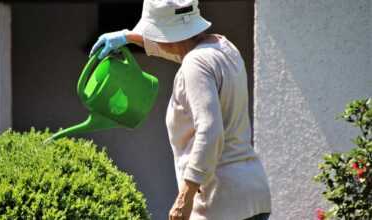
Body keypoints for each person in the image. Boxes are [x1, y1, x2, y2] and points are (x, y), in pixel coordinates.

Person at [89, 0, 272, 219]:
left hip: (219, 202)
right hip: (253, 192)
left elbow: (210, 131)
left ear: (166, 33)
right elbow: (180, 49)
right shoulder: (223, 47)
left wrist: (184, 198)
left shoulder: (194, 65)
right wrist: (129, 37)